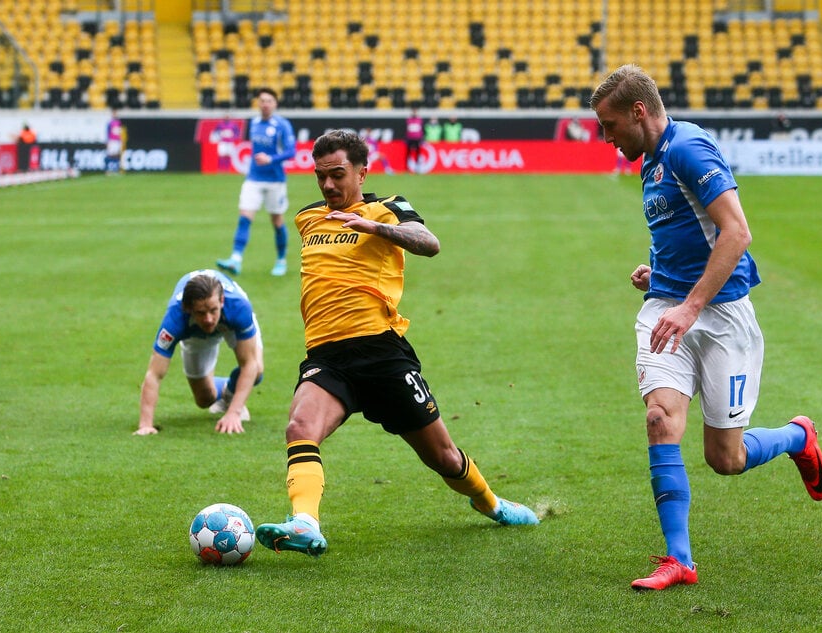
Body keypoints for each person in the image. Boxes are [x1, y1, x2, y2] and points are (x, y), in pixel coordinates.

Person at [589, 64, 822, 591]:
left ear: (639, 111)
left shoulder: (687, 149)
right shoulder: (651, 162)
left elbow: (736, 232)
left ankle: (797, 437)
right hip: (665, 309)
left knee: (726, 458)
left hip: (720, 316)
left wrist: (690, 305)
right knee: (660, 418)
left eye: (609, 126)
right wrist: (660, 274)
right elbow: (687, 232)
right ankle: (679, 560)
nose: (606, 139)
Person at [254, 130, 539, 557]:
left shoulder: (388, 208)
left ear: (362, 171)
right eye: (320, 176)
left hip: (382, 353)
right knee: (300, 428)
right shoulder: (307, 217)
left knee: (442, 457)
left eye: (337, 174)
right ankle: (305, 523)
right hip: (327, 357)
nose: (328, 185)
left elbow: (430, 243)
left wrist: (373, 227)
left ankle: (493, 504)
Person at [135, 269, 264, 436]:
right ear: (188, 308)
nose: (209, 319)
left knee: (257, 369)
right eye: (201, 313)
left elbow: (249, 364)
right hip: (194, 333)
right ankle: (226, 389)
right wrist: (145, 425)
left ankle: (232, 394)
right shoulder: (175, 319)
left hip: (231, 322)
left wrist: (234, 413)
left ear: (222, 301)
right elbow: (154, 374)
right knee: (204, 399)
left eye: (213, 310)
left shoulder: (238, 307)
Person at [217, 87, 297, 277]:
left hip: (275, 180)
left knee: (277, 220)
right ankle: (236, 259)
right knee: (245, 217)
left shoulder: (282, 125)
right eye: (262, 100)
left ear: (275, 104)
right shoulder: (253, 123)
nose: (265, 104)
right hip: (253, 178)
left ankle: (281, 260)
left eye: (269, 100)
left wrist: (271, 159)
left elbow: (291, 151)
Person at [105, 110, 125, 175]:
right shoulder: (109, 123)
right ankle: (107, 169)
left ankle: (116, 169)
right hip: (112, 141)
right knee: (110, 155)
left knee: (117, 155)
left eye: (115, 114)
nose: (115, 115)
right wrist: (107, 141)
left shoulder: (119, 123)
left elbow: (120, 132)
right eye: (114, 114)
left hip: (117, 141)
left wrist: (121, 140)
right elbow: (107, 133)